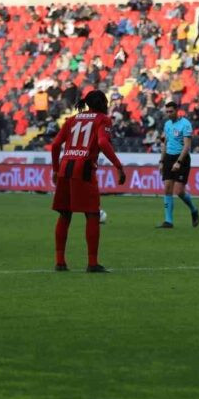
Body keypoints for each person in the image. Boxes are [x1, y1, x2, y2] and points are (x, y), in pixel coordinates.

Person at [50, 90, 126, 273]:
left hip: (65, 166)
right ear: (101, 103)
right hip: (83, 168)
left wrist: (55, 169)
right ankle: (92, 263)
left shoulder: (72, 119)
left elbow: (54, 145)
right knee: (92, 214)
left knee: (64, 214)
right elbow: (102, 142)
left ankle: (60, 261)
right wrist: (118, 166)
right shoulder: (102, 119)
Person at [158, 101, 199, 229]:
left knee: (179, 191)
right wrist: (161, 161)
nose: (169, 114)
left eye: (171, 111)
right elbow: (165, 143)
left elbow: (187, 146)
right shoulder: (167, 124)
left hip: (182, 158)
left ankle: (193, 209)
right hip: (169, 158)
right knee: (167, 189)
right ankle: (168, 221)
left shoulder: (185, 124)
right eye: (167, 112)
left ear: (177, 110)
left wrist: (179, 162)